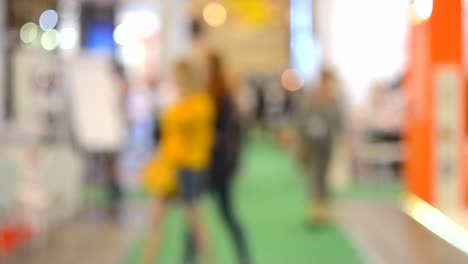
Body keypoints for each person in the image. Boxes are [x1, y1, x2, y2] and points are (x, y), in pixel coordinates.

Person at [142, 61, 215, 264]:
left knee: (195, 221)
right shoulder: (182, 102)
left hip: (189, 168)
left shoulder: (199, 103)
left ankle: (208, 259)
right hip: (170, 168)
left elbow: (195, 137)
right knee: (156, 219)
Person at [183, 53, 251, 264]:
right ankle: (188, 259)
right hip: (200, 163)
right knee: (194, 216)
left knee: (226, 214)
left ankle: (243, 255)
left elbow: (233, 133)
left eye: (205, 67)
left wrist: (232, 161)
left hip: (218, 165)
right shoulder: (201, 95)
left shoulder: (223, 97)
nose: (202, 71)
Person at [296, 69, 343, 225]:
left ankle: (323, 210)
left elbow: (338, 122)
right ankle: (316, 211)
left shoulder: (333, 101)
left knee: (323, 177)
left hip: (326, 144)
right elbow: (302, 119)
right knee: (314, 177)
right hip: (311, 144)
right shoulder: (311, 99)